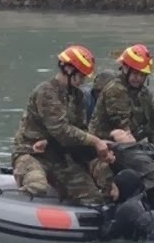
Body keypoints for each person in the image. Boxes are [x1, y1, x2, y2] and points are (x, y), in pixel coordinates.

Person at [10, 45, 113, 205]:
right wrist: (96, 141)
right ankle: (13, 208)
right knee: (36, 186)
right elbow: (62, 131)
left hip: (58, 156)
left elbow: (79, 131)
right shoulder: (46, 92)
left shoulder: (77, 96)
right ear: (68, 69)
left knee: (92, 197)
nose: (83, 81)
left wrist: (100, 152)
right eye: (81, 76)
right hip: (31, 152)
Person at [88, 43, 154, 192]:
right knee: (116, 182)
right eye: (135, 73)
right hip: (106, 152)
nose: (138, 78)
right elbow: (124, 134)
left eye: (142, 75)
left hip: (133, 151)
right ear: (126, 69)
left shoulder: (145, 95)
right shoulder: (116, 90)